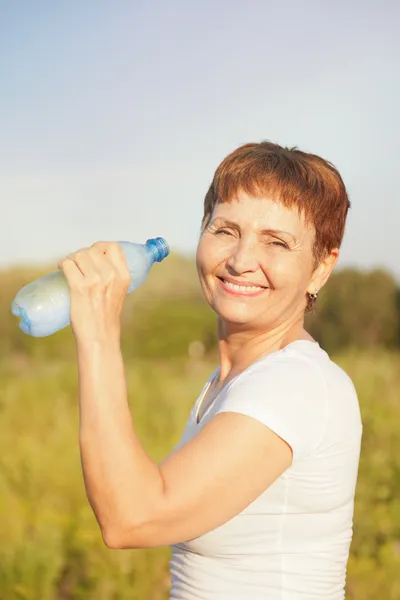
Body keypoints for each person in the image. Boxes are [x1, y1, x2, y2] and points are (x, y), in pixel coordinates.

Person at [59, 141, 363, 600]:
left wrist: (99, 332)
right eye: (225, 230)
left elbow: (133, 517)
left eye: (276, 242)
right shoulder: (232, 379)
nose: (241, 260)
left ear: (321, 267)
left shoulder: (295, 385)